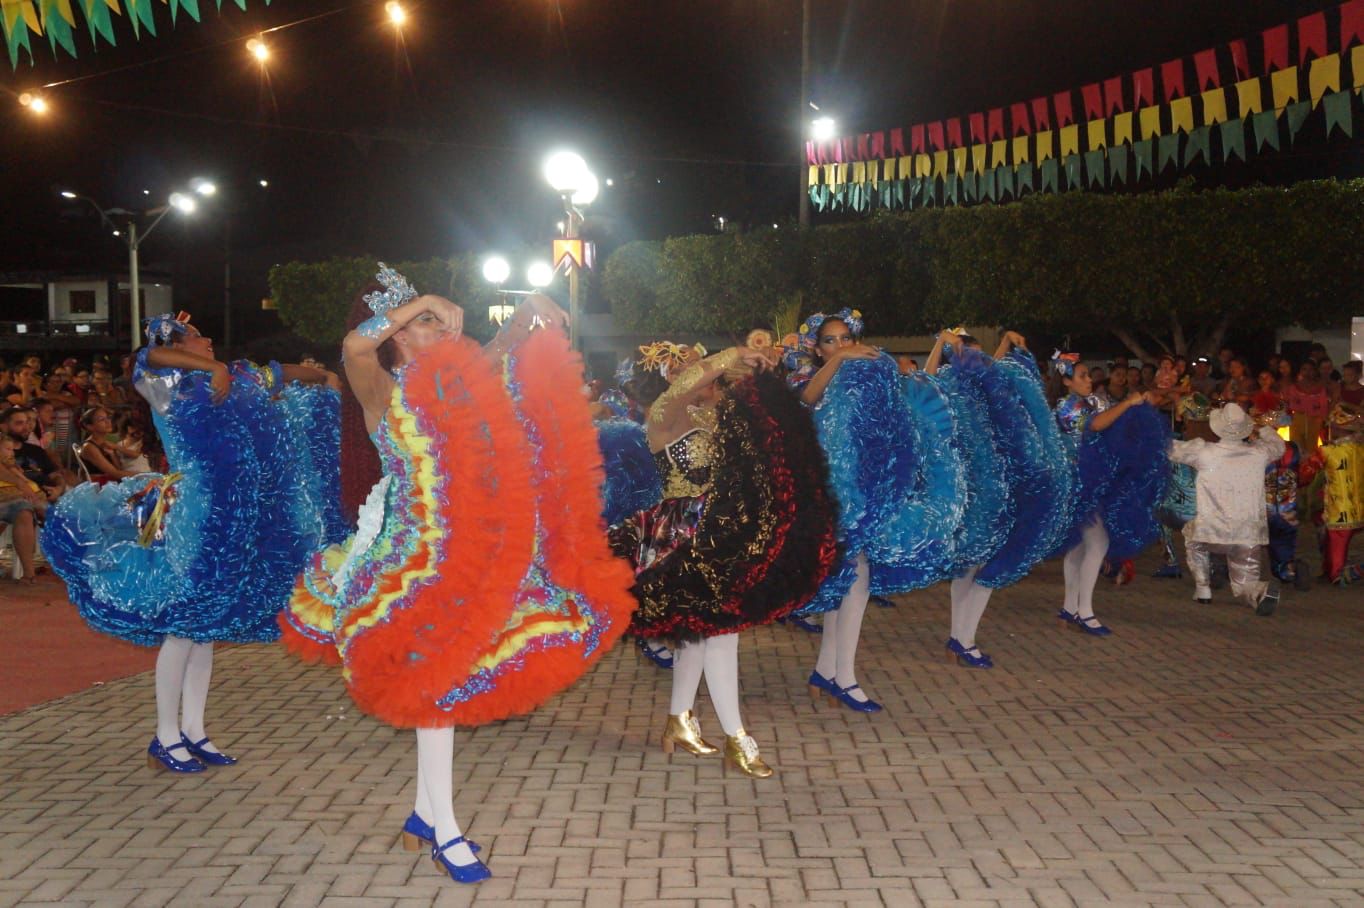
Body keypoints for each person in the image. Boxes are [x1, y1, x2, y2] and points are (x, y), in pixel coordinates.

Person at [281, 266, 636, 883]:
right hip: (410, 567)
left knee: (449, 681)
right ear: (398, 333)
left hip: (471, 556)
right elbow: (355, 346)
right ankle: (446, 830)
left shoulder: (458, 385)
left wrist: (530, 309)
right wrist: (420, 301)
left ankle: (425, 816)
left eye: (442, 321)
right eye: (426, 323)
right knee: (435, 685)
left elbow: (500, 348)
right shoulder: (380, 386)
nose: (442, 328)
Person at [42, 312, 339, 778]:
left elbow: (281, 372)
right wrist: (211, 367)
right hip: (194, 515)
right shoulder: (163, 382)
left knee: (204, 631)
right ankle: (165, 736)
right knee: (184, 624)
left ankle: (194, 730)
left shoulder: (236, 376)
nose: (208, 342)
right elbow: (148, 355)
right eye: (198, 338)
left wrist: (324, 377)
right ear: (179, 344)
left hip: (233, 515)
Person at [611, 334, 837, 776]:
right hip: (680, 538)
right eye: (683, 365)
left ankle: (679, 721)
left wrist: (758, 370)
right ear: (668, 376)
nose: (695, 370)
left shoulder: (713, 414)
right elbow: (689, 383)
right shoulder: (663, 415)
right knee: (720, 630)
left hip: (719, 531)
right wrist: (732, 354)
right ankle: (738, 738)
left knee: (699, 633)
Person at [786, 310, 958, 704]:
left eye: (845, 338)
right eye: (830, 340)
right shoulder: (806, 376)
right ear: (816, 347)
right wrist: (840, 361)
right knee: (850, 579)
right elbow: (806, 400)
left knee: (850, 580)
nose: (840, 345)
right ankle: (842, 677)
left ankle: (827, 672)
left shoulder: (866, 377)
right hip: (825, 493)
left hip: (863, 493)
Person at [1049, 353, 1165, 636]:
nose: (1089, 380)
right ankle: (1084, 612)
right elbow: (1097, 424)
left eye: (1089, 375)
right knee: (1097, 543)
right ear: (1066, 382)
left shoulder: (1089, 402)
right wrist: (1128, 403)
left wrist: (1138, 403)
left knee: (1079, 547)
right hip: (1078, 484)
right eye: (1082, 376)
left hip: (1087, 482)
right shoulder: (1067, 407)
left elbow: (1110, 420)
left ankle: (1070, 609)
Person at [1170, 403, 1286, 614]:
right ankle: (1256, 591)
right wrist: (1263, 428)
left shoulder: (1204, 452)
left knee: (1193, 540)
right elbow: (1279, 446)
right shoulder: (1259, 453)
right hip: (1247, 532)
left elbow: (1170, 449)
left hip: (1211, 529)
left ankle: (1203, 587)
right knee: (1244, 580)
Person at [1284, 361, 1330, 457]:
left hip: (1315, 421)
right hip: (1297, 420)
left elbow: (1324, 407)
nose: (1307, 372)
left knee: (1312, 449)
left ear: (1315, 371)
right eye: (1304, 369)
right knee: (1296, 448)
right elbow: (1289, 404)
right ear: (1300, 371)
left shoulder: (1320, 388)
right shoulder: (1294, 387)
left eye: (1310, 369)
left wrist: (1322, 419)